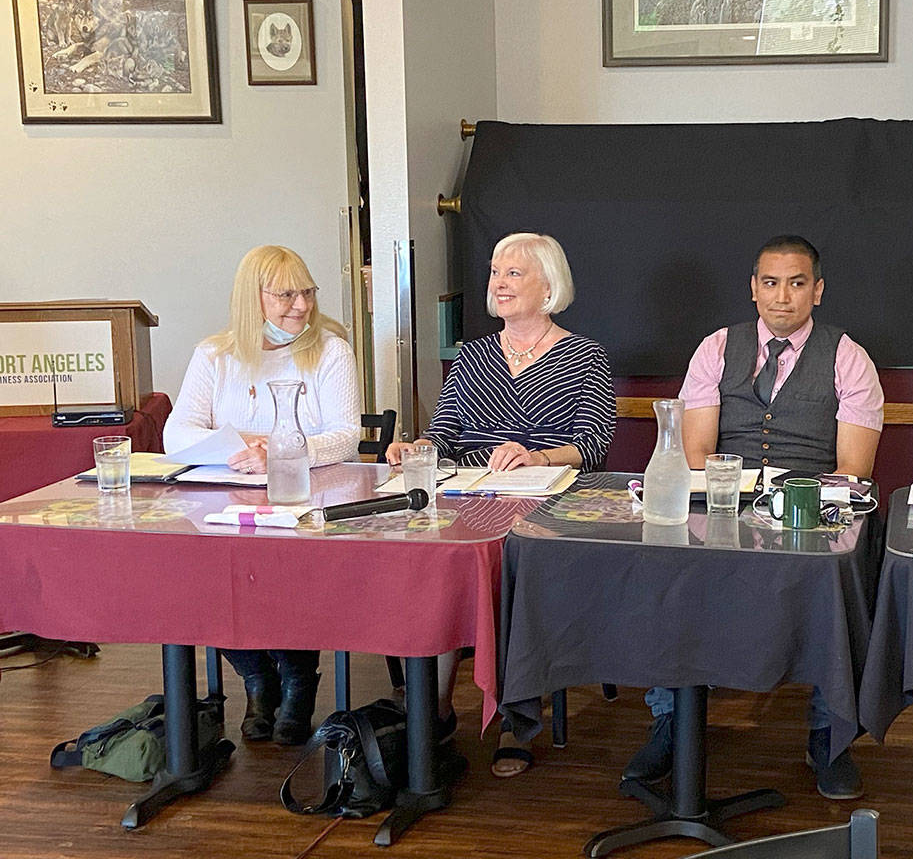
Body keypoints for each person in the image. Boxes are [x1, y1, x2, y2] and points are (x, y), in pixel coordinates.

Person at [624, 234, 884, 801]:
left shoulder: (848, 357)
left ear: (817, 290)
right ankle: (671, 717)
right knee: (671, 566)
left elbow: (852, 470)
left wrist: (792, 505)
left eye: (796, 284)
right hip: (724, 502)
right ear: (753, 288)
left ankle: (829, 732)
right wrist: (732, 507)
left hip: (812, 514)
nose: (782, 297)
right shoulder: (716, 347)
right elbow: (696, 454)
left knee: (840, 574)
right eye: (770, 283)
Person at [387, 231, 615, 776]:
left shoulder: (587, 356)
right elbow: (443, 436)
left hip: (549, 503)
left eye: (514, 273)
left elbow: (594, 444)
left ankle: (517, 716)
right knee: (434, 563)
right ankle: (434, 711)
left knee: (520, 569)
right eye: (495, 272)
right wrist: (414, 449)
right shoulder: (471, 356)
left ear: (549, 284)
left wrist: (535, 458)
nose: (499, 283)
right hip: (471, 498)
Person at [166, 245, 360, 745]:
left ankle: (297, 682)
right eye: (286, 295)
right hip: (229, 499)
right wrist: (237, 445)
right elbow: (176, 434)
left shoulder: (331, 349)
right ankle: (257, 678)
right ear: (253, 299)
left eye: (308, 292)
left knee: (286, 572)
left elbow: (345, 435)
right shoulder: (214, 355)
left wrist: (281, 448)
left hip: (307, 499)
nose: (301, 306)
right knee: (200, 572)